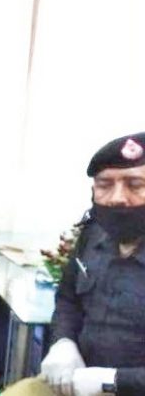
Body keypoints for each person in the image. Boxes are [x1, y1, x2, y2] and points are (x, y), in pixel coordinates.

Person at [37, 132, 145, 396]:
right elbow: (68, 299)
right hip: (76, 382)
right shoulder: (93, 233)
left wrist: (114, 380)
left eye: (135, 185)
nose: (117, 198)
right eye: (104, 184)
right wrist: (63, 342)